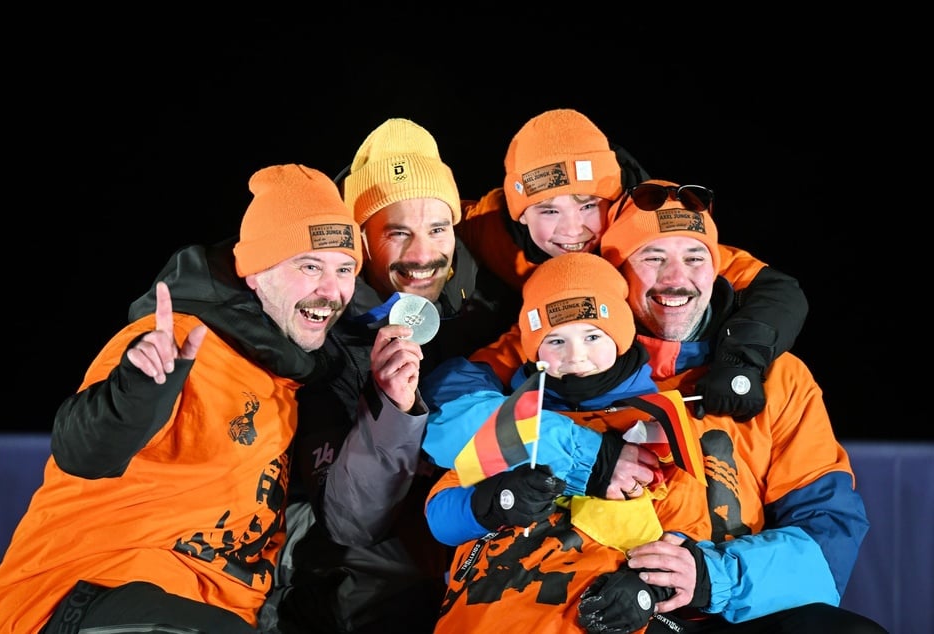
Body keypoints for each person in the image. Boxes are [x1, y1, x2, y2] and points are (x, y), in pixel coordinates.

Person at [422, 180, 885, 633]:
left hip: (730, 599)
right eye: (653, 257)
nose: (676, 279)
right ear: (615, 272)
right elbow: (449, 412)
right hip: (589, 595)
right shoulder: (563, 361)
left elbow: (829, 532)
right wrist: (585, 458)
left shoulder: (780, 377)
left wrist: (707, 576)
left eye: (695, 257)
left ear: (717, 266)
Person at [0, 163, 425, 633]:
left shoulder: (291, 382)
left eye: (344, 270)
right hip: (90, 592)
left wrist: (392, 406)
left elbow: (336, 522)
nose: (331, 290)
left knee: (397, 563)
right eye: (309, 266)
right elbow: (82, 451)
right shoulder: (176, 342)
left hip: (219, 607)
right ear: (255, 273)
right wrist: (135, 393)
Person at [263, 118, 518, 634]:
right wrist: (391, 410)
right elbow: (350, 523)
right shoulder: (319, 329)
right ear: (361, 240)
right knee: (381, 578)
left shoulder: (488, 298)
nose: (423, 255)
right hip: (345, 542)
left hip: (463, 507)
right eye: (397, 232)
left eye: (437, 229)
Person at [459, 108, 809, 422]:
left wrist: (740, 362)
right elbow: (430, 216)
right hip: (546, 344)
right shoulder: (490, 227)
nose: (571, 230)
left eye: (588, 205)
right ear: (520, 214)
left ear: (613, 202)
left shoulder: (644, 220)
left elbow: (772, 288)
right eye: (548, 210)